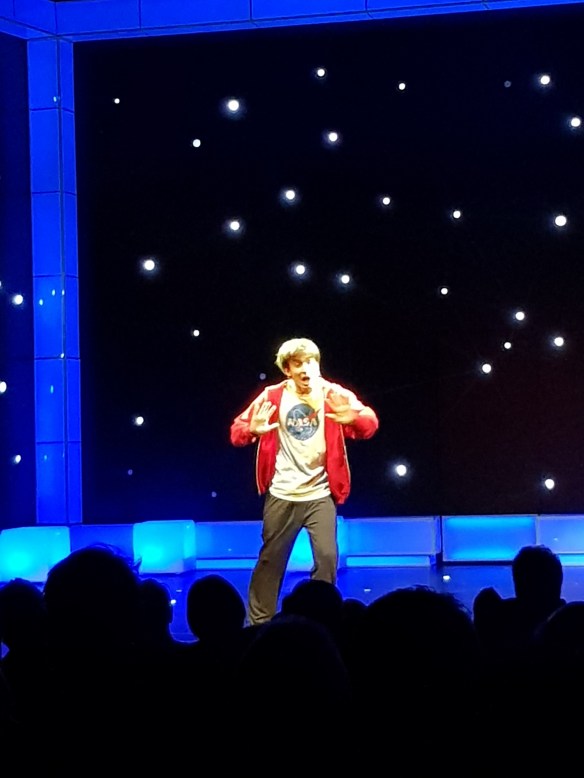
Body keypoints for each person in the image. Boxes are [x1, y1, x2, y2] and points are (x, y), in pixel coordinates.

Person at [230, 336, 379, 625]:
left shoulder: (332, 393)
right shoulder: (272, 396)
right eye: (298, 364)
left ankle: (322, 620)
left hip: (320, 494)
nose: (306, 369)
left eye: (311, 362)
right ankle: (260, 623)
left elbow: (369, 422)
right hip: (282, 493)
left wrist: (354, 419)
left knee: (327, 558)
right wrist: (252, 430)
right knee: (270, 560)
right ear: (287, 370)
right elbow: (237, 431)